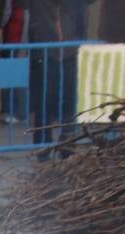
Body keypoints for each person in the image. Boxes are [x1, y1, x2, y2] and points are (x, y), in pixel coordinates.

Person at [27, 0, 94, 147]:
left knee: (66, 101)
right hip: (47, 52)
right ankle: (45, 144)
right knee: (46, 101)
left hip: (66, 50)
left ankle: (65, 143)